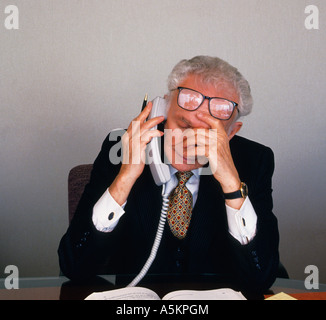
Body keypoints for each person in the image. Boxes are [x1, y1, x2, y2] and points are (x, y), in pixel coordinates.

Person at [58, 56, 279, 294]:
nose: (188, 144)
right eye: (183, 125)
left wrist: (232, 186)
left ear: (232, 132)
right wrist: (125, 177)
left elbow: (261, 278)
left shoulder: (254, 161)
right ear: (161, 111)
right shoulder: (122, 147)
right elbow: (74, 266)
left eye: (207, 135)